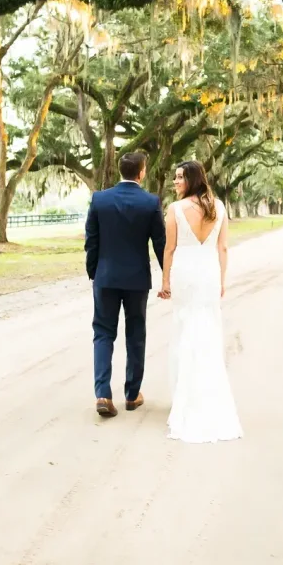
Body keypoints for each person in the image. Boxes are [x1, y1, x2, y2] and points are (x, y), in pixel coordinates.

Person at [159, 160, 243, 444]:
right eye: (175, 177)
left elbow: (169, 249)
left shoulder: (174, 209)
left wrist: (165, 281)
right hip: (207, 272)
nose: (175, 182)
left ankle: (186, 397)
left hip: (185, 272)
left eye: (180, 177)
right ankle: (205, 393)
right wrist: (221, 279)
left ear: (193, 179)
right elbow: (223, 247)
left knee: (186, 329)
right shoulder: (218, 207)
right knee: (205, 329)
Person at [84, 152, 166, 418]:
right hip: (136, 279)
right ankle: (132, 395)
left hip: (106, 277)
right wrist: (168, 277)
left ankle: (103, 394)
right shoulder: (150, 202)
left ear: (121, 171)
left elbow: (91, 241)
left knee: (103, 333)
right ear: (141, 172)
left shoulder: (100, 199)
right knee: (135, 334)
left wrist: (94, 272)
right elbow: (160, 244)